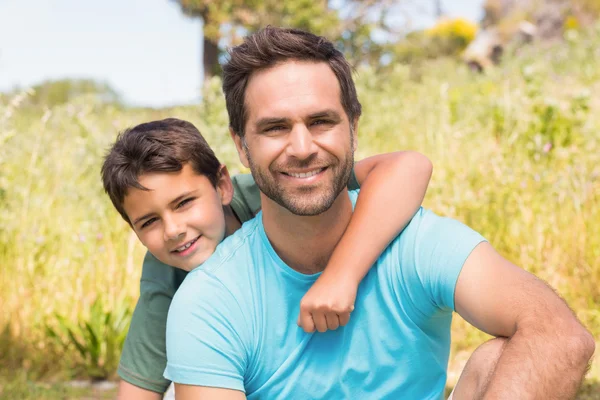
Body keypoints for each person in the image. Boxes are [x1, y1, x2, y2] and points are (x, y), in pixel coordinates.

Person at [165, 27, 595, 399]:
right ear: (241, 145)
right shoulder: (210, 299)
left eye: (321, 122)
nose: (301, 148)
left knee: (501, 359)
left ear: (353, 127)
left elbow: (561, 336)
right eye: (275, 128)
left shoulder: (417, 243)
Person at [101, 118, 434, 398]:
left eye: (185, 202)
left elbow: (410, 166)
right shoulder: (166, 268)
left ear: (222, 186)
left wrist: (341, 275)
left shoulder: (276, 196)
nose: (173, 230)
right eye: (149, 222)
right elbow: (138, 390)